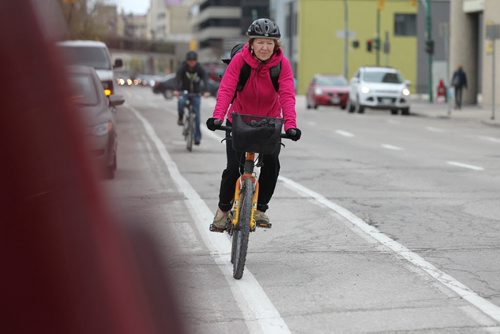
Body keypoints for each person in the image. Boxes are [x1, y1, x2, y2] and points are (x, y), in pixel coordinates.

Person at [206, 18, 301, 230]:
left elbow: (287, 95)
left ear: (276, 45)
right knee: (232, 169)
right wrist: (218, 117)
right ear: (251, 43)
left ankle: (260, 210)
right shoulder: (240, 61)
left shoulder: (282, 65)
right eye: (260, 42)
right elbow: (226, 89)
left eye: (269, 43)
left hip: (268, 123)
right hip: (238, 121)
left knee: (272, 165)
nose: (265, 47)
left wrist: (290, 125)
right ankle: (222, 211)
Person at [174, 51, 209, 145]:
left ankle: (197, 137)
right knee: (181, 102)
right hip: (184, 91)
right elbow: (177, 79)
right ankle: (181, 117)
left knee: (197, 115)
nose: (192, 63)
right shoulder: (182, 68)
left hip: (196, 93)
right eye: (190, 61)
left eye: (193, 61)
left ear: (196, 61)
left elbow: (205, 79)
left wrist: (206, 91)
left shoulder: (200, 68)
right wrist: (177, 90)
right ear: (187, 61)